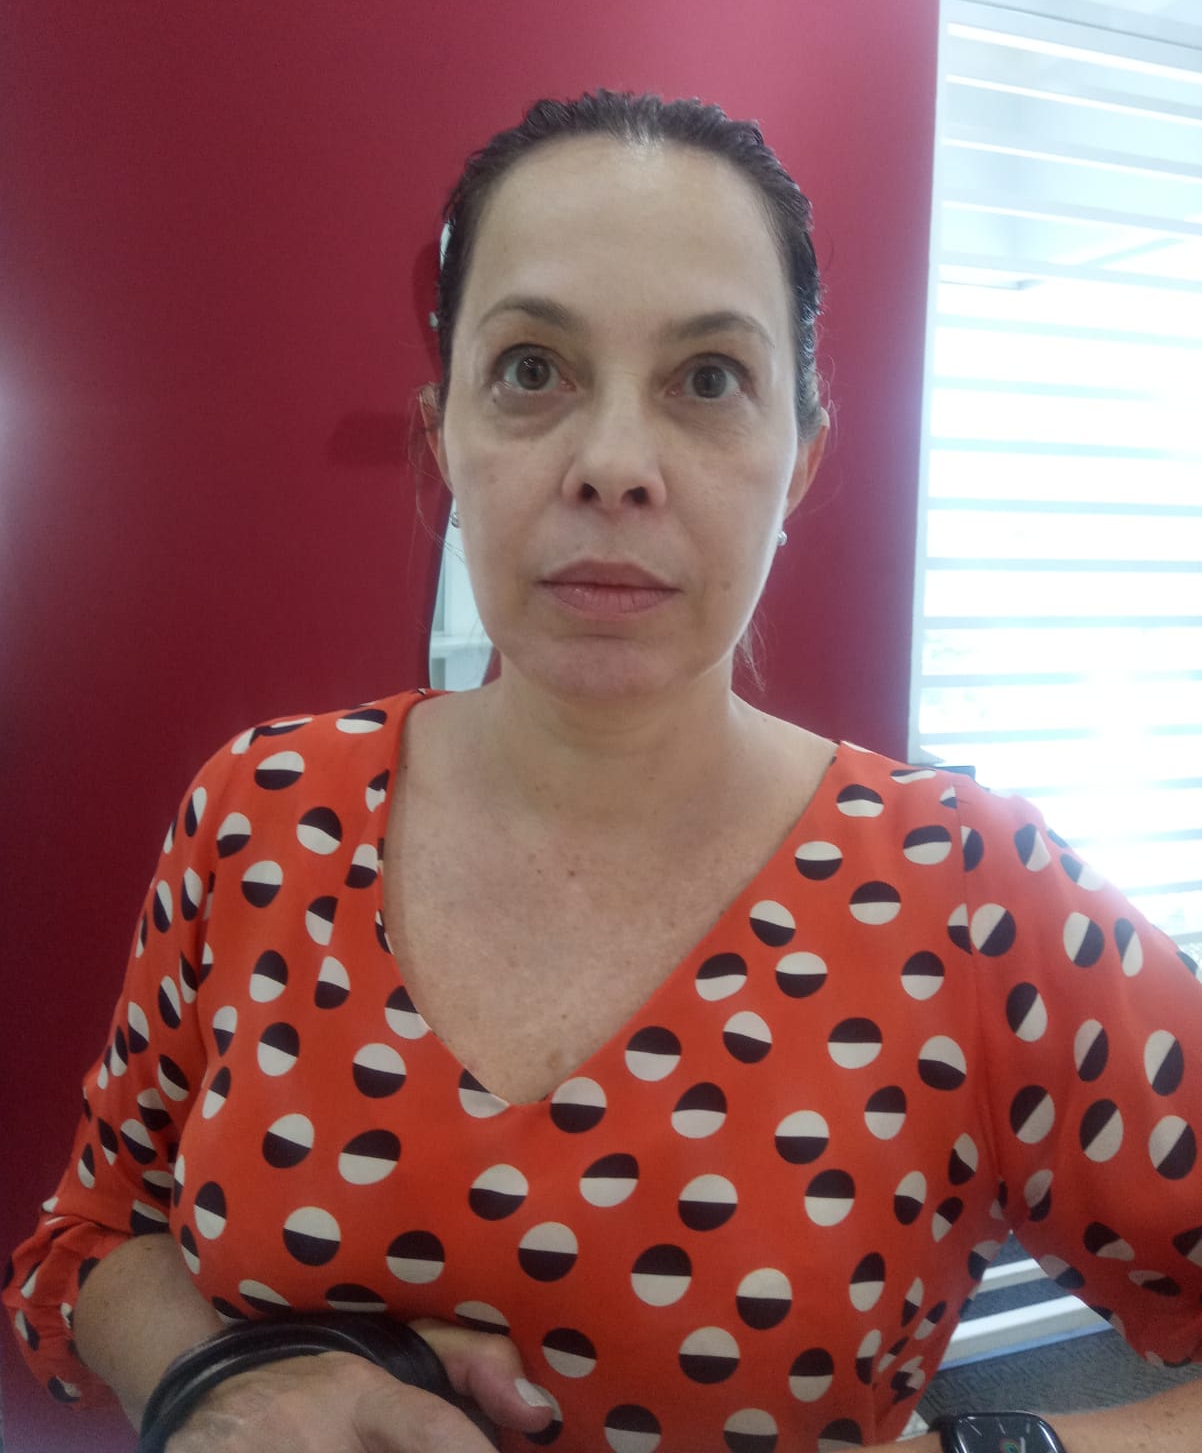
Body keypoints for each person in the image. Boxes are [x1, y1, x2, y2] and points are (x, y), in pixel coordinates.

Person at [5, 90, 1201, 1453]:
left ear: (800, 461)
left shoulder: (972, 894)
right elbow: (85, 1242)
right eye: (531, 369)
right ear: (443, 437)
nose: (614, 466)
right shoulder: (258, 813)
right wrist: (215, 1378)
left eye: (709, 379)